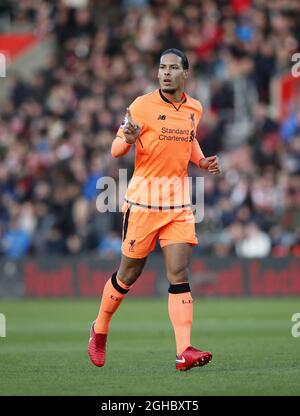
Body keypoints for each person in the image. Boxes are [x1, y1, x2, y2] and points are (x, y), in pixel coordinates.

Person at [88, 48, 221, 371]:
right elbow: (116, 149)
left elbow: (188, 140)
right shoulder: (141, 105)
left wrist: (200, 160)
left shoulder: (194, 108)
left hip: (178, 203)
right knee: (128, 274)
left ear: (185, 74)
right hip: (144, 203)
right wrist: (130, 139)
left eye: (173, 68)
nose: (165, 72)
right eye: (162, 67)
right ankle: (100, 328)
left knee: (179, 273)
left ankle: (183, 350)